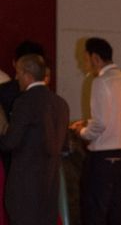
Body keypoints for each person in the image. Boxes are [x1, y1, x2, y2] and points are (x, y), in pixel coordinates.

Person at [69, 37, 121, 225]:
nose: (84, 64)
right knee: (119, 212)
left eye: (85, 59)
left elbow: (100, 124)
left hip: (104, 158)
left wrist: (82, 131)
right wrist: (88, 123)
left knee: (94, 211)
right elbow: (117, 117)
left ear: (96, 57)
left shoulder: (101, 81)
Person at [0, 53, 70, 225]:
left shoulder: (24, 102)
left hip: (25, 186)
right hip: (50, 184)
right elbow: (65, 145)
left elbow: (10, 142)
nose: (16, 78)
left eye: (18, 73)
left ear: (26, 74)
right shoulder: (61, 103)